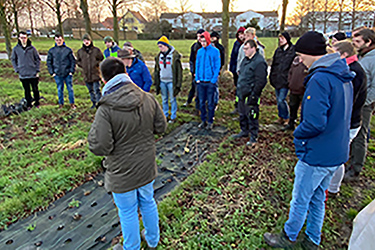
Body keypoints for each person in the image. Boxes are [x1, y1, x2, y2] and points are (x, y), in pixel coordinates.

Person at [264, 31, 354, 250]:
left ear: (311, 54)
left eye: (301, 55)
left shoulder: (320, 79)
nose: (300, 59)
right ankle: (313, 239)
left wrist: (297, 135)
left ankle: (288, 237)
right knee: (317, 199)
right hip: (336, 151)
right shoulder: (343, 76)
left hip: (318, 153)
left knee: (301, 198)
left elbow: (314, 123)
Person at [88, 57, 167, 250]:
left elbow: (101, 146)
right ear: (126, 72)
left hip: (121, 171)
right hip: (146, 164)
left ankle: (131, 247)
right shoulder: (148, 98)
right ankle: (152, 240)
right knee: (148, 201)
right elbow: (161, 126)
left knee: (127, 211)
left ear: (104, 80)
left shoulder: (105, 109)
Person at [328, 41, 367, 194]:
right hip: (345, 120)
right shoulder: (348, 69)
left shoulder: (354, 72)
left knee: (336, 157)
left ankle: (332, 188)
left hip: (349, 122)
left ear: (343, 54)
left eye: (334, 51)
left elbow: (350, 101)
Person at [345, 29, 375, 181]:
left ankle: (355, 168)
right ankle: (348, 159)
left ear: (368, 42)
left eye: (357, 42)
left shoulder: (373, 59)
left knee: (360, 135)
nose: (354, 45)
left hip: (363, 104)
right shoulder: (361, 57)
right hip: (354, 102)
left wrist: (365, 103)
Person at [231, 39, 267, 146]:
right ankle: (244, 131)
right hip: (242, 92)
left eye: (247, 49)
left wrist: (254, 94)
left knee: (252, 114)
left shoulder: (259, 62)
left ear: (253, 48)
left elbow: (261, 81)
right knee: (242, 113)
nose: (245, 51)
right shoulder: (245, 60)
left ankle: (253, 136)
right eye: (244, 49)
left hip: (251, 94)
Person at [154, 35, 182, 123]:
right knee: (164, 99)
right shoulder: (159, 57)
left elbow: (179, 71)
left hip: (171, 81)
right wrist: (156, 82)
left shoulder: (174, 56)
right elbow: (157, 70)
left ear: (166, 45)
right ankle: (165, 115)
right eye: (159, 47)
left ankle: (173, 116)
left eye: (161, 46)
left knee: (172, 99)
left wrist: (178, 84)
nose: (160, 48)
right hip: (162, 81)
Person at [269, 31, 296, 126]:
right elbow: (274, 65)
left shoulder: (292, 51)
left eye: (282, 38)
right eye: (279, 38)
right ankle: (281, 116)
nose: (280, 40)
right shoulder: (278, 51)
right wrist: (272, 76)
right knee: (278, 100)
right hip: (277, 78)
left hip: (285, 79)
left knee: (281, 99)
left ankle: (286, 117)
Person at [195, 31, 221, 130]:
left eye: (204, 41)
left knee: (210, 103)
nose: (203, 43)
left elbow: (216, 66)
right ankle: (203, 120)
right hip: (201, 81)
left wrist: (213, 80)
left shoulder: (215, 51)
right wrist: (197, 78)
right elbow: (197, 65)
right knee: (201, 102)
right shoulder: (200, 51)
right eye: (201, 41)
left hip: (210, 81)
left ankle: (210, 121)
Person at [11, 31, 41, 109]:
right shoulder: (16, 49)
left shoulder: (32, 49)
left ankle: (37, 103)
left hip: (33, 73)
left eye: (25, 38)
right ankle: (29, 104)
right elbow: (13, 59)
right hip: (23, 73)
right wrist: (17, 69)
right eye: (22, 38)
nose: (23, 39)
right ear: (19, 38)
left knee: (35, 89)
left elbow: (37, 59)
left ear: (27, 38)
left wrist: (37, 70)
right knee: (26, 90)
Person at [47, 33, 76, 109]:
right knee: (60, 89)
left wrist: (71, 71)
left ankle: (72, 103)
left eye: (60, 40)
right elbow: (49, 62)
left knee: (70, 89)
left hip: (67, 73)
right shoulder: (51, 51)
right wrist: (52, 73)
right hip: (57, 73)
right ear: (55, 40)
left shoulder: (68, 50)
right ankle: (61, 104)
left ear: (63, 40)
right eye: (57, 40)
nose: (58, 41)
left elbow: (73, 61)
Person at [76, 33, 104, 109]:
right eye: (85, 40)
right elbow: (78, 61)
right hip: (86, 74)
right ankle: (94, 103)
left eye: (88, 40)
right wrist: (82, 65)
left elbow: (101, 59)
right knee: (91, 91)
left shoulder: (96, 50)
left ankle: (100, 104)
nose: (86, 42)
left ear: (91, 41)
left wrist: (96, 64)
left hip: (95, 74)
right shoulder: (80, 52)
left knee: (97, 90)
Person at [282, 56, 308, 131]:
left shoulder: (307, 61)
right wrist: (290, 83)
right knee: (293, 107)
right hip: (293, 89)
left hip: (303, 90)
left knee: (304, 109)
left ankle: (302, 125)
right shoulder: (295, 61)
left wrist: (304, 86)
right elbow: (290, 72)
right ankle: (291, 123)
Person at [184, 29, 205, 109]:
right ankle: (189, 101)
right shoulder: (194, 46)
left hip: (203, 72)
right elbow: (191, 60)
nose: (199, 38)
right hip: (195, 71)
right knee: (193, 87)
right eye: (198, 36)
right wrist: (192, 70)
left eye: (200, 36)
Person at [229, 27, 246, 114]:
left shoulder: (248, 45)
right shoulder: (236, 44)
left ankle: (244, 108)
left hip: (245, 72)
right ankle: (237, 105)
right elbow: (233, 57)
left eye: (242, 34)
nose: (241, 36)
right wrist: (232, 69)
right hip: (236, 71)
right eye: (239, 34)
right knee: (237, 90)